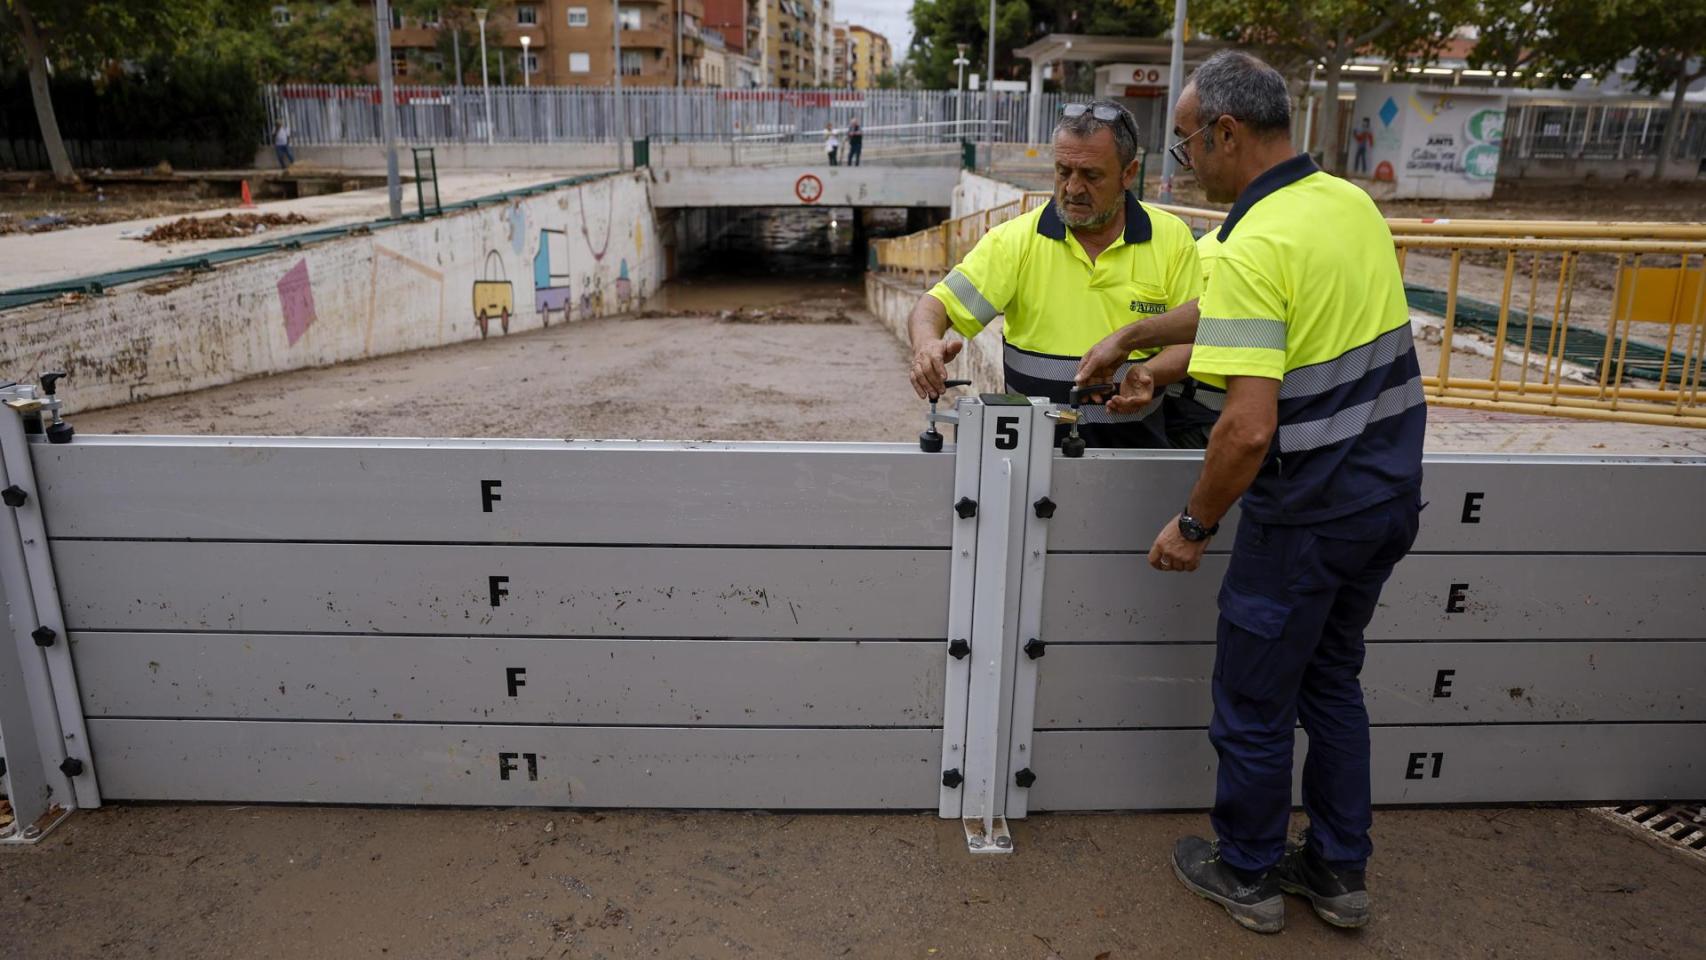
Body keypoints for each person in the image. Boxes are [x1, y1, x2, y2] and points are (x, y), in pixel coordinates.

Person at [1119, 50, 1425, 934]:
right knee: (1332, 683)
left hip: (1305, 515)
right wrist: (1142, 335)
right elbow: (1224, 295)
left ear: (1226, 132)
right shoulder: (1343, 203)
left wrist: (1193, 523)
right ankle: (1337, 873)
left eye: (1183, 147)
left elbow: (1246, 428)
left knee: (1254, 701)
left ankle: (1247, 871)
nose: (1184, 165)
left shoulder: (1257, 243)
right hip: (1386, 498)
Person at [908, 99, 1201, 449]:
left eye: (1091, 175)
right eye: (1063, 172)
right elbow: (934, 306)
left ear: (1129, 174)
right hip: (1027, 462)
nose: (1073, 188)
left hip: (1136, 459)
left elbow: (1192, 339)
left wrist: (1151, 372)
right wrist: (927, 344)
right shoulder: (1015, 242)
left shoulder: (1171, 239)